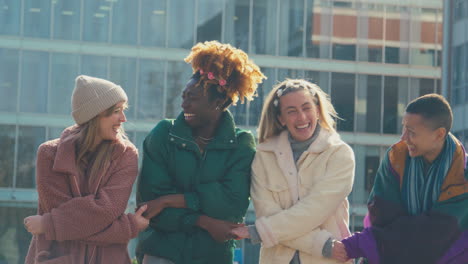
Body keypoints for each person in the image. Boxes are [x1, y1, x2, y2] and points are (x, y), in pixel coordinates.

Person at [135, 41, 266, 264]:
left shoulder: (241, 144)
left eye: (192, 98)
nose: (184, 105)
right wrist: (205, 221)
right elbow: (149, 208)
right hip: (161, 255)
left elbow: (231, 207)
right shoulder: (163, 135)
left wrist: (170, 200)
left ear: (219, 101)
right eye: (184, 96)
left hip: (213, 257)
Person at [23, 75, 149, 264]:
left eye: (123, 111)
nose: (123, 119)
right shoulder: (49, 154)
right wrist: (127, 227)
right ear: (95, 114)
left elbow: (106, 211)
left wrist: (49, 224)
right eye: (116, 111)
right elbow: (79, 222)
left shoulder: (126, 155)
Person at [333, 94, 468, 264]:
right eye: (404, 128)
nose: (403, 138)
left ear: (439, 134)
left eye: (411, 132)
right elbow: (382, 219)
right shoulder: (395, 160)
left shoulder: (464, 174)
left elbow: (438, 233)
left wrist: (358, 244)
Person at [231, 79, 355, 264]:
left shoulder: (339, 154)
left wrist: (260, 231)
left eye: (307, 108)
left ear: (318, 111)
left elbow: (315, 210)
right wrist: (323, 244)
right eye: (292, 112)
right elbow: (268, 214)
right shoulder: (264, 156)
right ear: (281, 118)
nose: (302, 117)